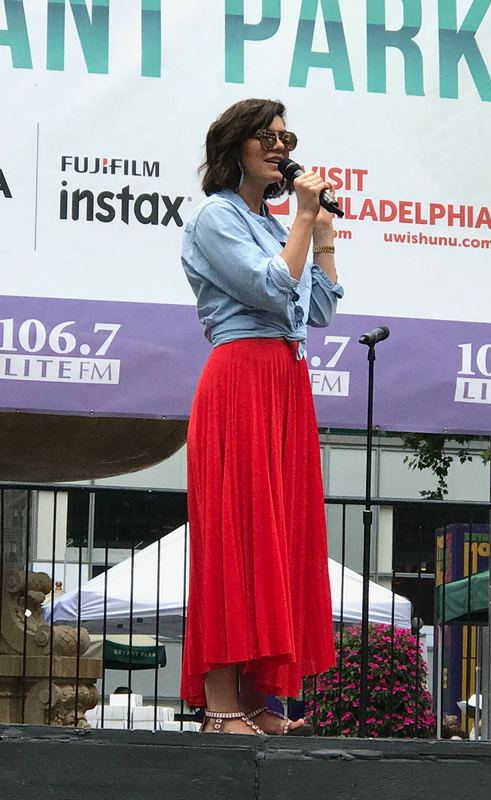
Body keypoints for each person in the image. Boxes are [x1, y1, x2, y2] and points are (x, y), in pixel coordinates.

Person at [180, 98, 343, 735]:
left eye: (286, 137)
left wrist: (321, 236)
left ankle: (258, 704)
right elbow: (273, 290)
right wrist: (303, 216)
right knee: (236, 537)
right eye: (266, 138)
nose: (280, 147)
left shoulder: (278, 226)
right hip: (240, 378)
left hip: (284, 380)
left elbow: (320, 309)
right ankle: (221, 708)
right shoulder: (214, 218)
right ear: (235, 148)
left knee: (274, 540)